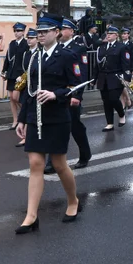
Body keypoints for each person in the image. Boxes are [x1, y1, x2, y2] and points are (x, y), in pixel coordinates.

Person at [14, 12, 80, 234]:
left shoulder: (67, 56)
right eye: (38, 32)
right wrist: (22, 119)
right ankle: (31, 215)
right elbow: (29, 90)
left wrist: (56, 94)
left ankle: (73, 201)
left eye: (44, 32)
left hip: (57, 117)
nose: (40, 35)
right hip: (35, 117)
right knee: (35, 163)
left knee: (60, 164)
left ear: (56, 32)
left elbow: (76, 86)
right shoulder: (35, 57)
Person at [58, 18, 92, 170]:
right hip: (58, 94)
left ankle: (85, 154)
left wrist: (77, 95)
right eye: (60, 28)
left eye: (64, 28)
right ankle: (53, 161)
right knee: (56, 127)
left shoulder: (78, 48)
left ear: (72, 31)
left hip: (71, 93)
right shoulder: (55, 47)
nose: (61, 31)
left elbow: (81, 74)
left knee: (75, 126)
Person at [95, 25, 130, 131]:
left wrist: (127, 77)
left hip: (116, 77)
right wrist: (94, 78)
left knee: (114, 98)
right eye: (107, 34)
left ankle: (121, 113)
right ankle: (109, 123)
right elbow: (97, 65)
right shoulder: (101, 47)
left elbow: (126, 63)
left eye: (110, 34)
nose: (108, 35)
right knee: (106, 101)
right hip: (103, 77)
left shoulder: (121, 47)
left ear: (116, 35)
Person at [3, 22, 28, 131]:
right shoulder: (12, 43)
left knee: (16, 97)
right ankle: (15, 120)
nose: (16, 33)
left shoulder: (26, 44)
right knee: (11, 99)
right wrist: (4, 71)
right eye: (15, 31)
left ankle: (25, 115)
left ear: (23, 32)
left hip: (20, 73)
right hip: (11, 73)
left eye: (19, 31)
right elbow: (7, 58)